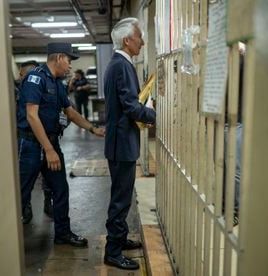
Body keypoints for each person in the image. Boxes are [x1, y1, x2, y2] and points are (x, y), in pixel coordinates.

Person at [17, 42, 105, 247]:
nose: (71, 65)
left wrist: (93, 129)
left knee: (60, 189)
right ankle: (4, 239)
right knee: (21, 192)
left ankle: (63, 234)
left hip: (51, 143)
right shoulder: (35, 79)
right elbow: (31, 116)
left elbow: (70, 112)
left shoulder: (57, 82)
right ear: (58, 58)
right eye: (69, 60)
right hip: (31, 145)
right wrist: (48, 150)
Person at [103, 17, 156, 270]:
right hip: (121, 142)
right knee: (121, 199)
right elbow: (131, 106)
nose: (142, 42)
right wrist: (157, 117)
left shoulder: (119, 64)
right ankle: (112, 251)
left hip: (121, 140)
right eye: (139, 37)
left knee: (122, 194)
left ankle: (120, 239)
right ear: (127, 40)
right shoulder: (121, 66)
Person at [15, 60, 54, 223]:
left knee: (49, 177)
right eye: (24, 75)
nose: (23, 77)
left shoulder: (43, 86)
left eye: (24, 74)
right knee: (25, 180)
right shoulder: (15, 90)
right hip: (24, 138)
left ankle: (47, 202)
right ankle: (25, 208)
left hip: (43, 139)